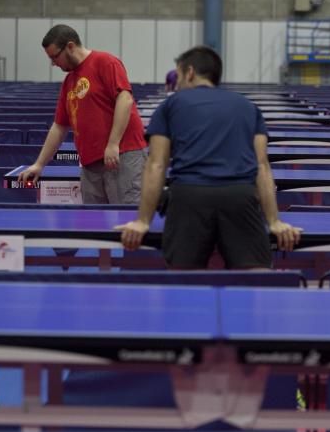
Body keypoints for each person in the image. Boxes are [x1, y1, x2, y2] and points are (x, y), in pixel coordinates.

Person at [117, 46, 301, 269]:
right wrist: (274, 221)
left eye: (179, 77)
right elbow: (262, 167)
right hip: (239, 197)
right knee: (255, 277)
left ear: (190, 72)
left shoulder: (170, 105)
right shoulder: (249, 108)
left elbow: (156, 165)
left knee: (184, 283)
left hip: (188, 198)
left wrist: (142, 221)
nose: (178, 85)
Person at [17, 25, 146, 204]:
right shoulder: (69, 82)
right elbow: (59, 126)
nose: (53, 63)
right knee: (94, 225)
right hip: (90, 164)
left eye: (55, 57)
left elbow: (125, 99)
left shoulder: (105, 62)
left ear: (70, 46)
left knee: (126, 222)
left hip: (121, 156)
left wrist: (113, 143)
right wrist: (39, 164)